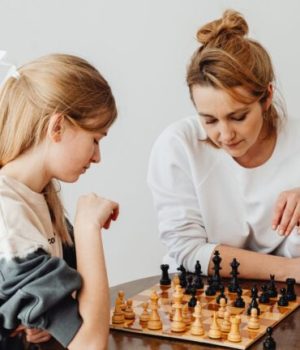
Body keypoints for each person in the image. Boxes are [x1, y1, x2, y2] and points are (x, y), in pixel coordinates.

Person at [148, 10, 300, 283]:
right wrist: (289, 270)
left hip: (281, 295)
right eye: (209, 120)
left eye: (238, 117)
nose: (225, 134)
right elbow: (188, 251)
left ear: (266, 97)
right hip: (199, 295)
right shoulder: (177, 146)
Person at [0, 53, 119, 350]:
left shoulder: (39, 195)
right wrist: (87, 227)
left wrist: (45, 318)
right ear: (57, 127)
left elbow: (75, 309)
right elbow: (90, 345)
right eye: (95, 139)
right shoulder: (9, 219)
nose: (97, 157)